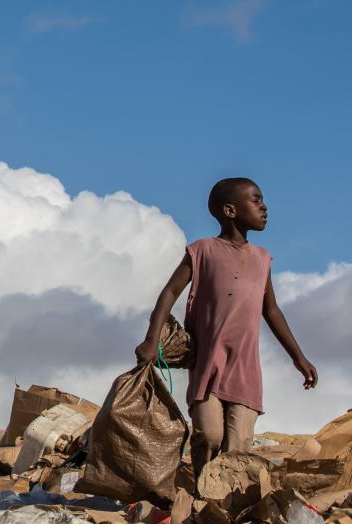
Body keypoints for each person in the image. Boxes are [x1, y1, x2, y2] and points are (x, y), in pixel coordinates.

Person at [135, 178, 317, 477]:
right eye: (256, 200)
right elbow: (169, 293)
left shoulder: (262, 259)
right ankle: (199, 493)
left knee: (239, 446)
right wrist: (152, 340)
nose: (264, 206)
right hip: (209, 363)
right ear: (230, 210)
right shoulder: (203, 251)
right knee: (209, 435)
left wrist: (298, 357)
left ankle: (224, 507)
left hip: (245, 369)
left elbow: (271, 310)